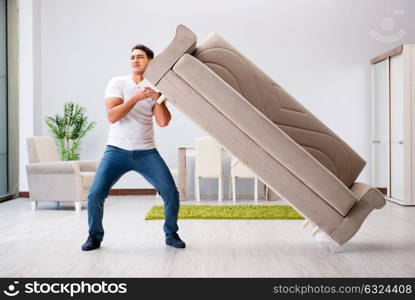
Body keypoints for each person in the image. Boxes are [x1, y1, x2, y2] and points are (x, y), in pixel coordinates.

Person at [81, 44, 185, 251]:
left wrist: (158, 100)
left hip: (146, 152)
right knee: (95, 195)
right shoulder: (118, 83)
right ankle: (94, 236)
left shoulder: (157, 87)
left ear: (150, 62)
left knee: (171, 193)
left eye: (140, 57)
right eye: (132, 57)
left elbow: (163, 122)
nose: (135, 60)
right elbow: (112, 116)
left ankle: (171, 233)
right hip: (116, 151)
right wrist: (136, 98)